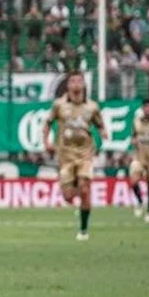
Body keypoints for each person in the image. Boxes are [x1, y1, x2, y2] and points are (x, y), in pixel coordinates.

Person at [43, 72, 108, 241]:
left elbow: (100, 124)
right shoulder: (59, 105)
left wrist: (103, 132)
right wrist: (46, 142)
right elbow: (48, 123)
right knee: (68, 196)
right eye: (73, 81)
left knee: (85, 189)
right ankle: (79, 200)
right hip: (65, 156)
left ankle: (83, 230)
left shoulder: (92, 107)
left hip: (85, 154)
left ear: (84, 84)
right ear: (68, 85)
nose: (76, 84)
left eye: (79, 81)